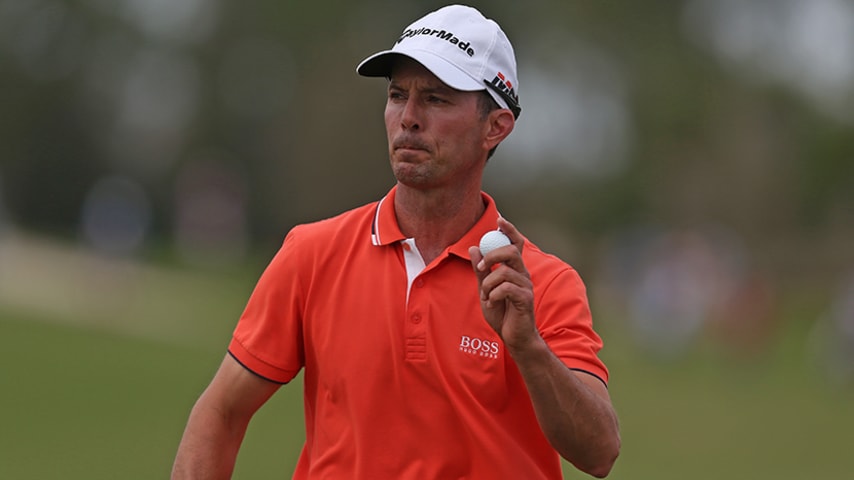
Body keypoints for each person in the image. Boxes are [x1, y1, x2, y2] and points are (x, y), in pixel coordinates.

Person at [172, 4, 620, 479]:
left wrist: (528, 347)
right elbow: (219, 413)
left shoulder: (542, 285)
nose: (408, 118)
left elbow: (599, 453)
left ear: (496, 126)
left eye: (436, 99)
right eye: (397, 95)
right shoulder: (312, 253)